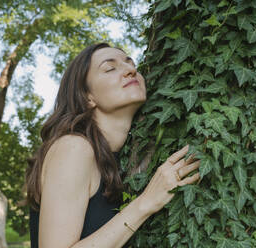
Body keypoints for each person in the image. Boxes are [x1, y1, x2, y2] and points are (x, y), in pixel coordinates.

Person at [25, 43, 201, 248]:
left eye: (131, 63)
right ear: (87, 96)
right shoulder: (74, 148)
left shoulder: (122, 157)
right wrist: (147, 202)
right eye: (110, 68)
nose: (130, 70)